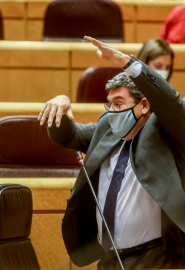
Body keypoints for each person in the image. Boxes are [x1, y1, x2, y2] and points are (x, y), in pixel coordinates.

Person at [38, 36, 185, 269]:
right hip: (109, 258)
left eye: (119, 103)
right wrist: (61, 102)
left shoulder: (167, 130)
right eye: (110, 104)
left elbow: (171, 103)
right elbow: (68, 135)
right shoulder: (108, 127)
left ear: (144, 105)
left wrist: (127, 62)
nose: (112, 111)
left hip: (155, 259)